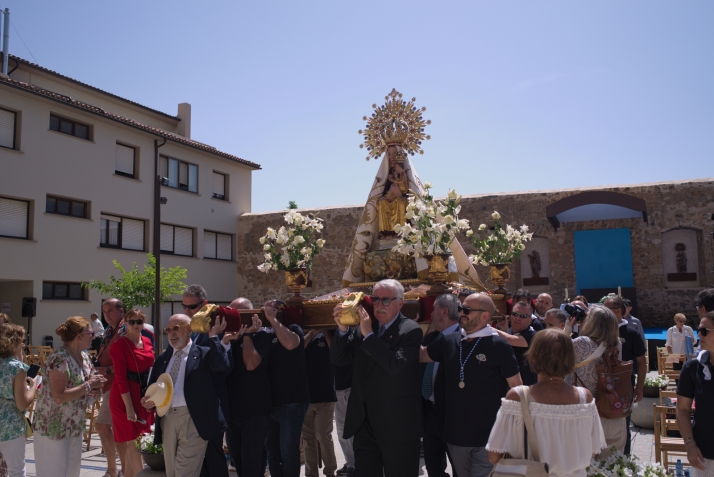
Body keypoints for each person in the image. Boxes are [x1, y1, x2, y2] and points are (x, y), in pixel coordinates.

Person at [421, 293, 522, 477]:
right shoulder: (449, 340)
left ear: (485, 315)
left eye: (467, 310)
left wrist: (511, 430)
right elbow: (421, 355)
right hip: (455, 436)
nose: (462, 313)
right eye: (461, 309)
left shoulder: (498, 346)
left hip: (488, 438)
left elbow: (516, 387)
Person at [331, 279, 423, 477]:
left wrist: (370, 336)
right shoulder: (363, 328)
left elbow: (394, 364)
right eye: (376, 299)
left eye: (386, 300)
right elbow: (339, 359)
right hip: (365, 424)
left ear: (400, 303)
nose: (379, 305)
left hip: (397, 426)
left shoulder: (410, 330)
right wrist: (343, 328)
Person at [487, 329, 606, 477]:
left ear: (534, 357)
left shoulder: (518, 396)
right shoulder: (584, 397)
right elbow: (592, 452)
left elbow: (494, 456)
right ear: (570, 359)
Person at [141, 314, 236, 477]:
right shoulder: (163, 359)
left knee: (185, 472)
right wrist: (149, 400)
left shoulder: (204, 354)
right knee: (172, 472)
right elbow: (153, 387)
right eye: (168, 330)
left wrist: (213, 337)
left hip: (194, 420)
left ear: (189, 329)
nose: (172, 333)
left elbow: (222, 366)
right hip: (168, 419)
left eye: (176, 328)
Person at [32, 316, 105, 477]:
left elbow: (88, 386)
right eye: (90, 333)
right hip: (52, 428)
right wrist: (89, 385)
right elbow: (59, 396)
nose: (94, 336)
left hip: (74, 426)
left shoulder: (84, 357)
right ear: (79, 337)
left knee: (72, 474)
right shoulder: (59, 359)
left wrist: (96, 390)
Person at [564, 306, 625, 455]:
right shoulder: (617, 344)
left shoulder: (582, 342)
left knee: (585, 466)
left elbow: (556, 358)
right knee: (612, 465)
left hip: (585, 412)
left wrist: (567, 328)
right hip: (612, 410)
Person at [182, 284, 228, 477]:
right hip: (192, 404)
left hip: (212, 402)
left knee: (214, 458)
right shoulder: (189, 328)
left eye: (192, 307)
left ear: (205, 304)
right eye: (184, 306)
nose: (187, 311)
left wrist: (214, 337)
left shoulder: (215, 327)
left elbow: (220, 364)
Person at [224, 298, 272, 477]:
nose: (237, 319)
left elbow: (251, 364)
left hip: (255, 411)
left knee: (252, 463)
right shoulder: (228, 337)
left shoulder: (261, 336)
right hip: (233, 411)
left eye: (241, 315)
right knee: (237, 462)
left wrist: (247, 335)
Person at [264, 300, 311, 477]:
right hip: (271, 402)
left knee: (288, 451)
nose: (268, 311)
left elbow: (291, 343)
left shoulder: (293, 328)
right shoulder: (266, 333)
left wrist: (274, 320)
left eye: (272, 309)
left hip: (292, 401)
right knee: (272, 450)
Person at [109, 309, 154, 477]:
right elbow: (120, 378)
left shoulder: (148, 341)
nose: (136, 325)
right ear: (125, 324)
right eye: (132, 322)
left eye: (139, 321)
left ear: (144, 323)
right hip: (124, 397)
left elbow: (151, 369)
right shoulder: (119, 345)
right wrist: (129, 407)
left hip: (142, 395)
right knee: (133, 442)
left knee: (138, 440)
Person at [421, 294, 461, 477]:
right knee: (433, 468)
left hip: (453, 415)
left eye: (434, 310)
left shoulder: (463, 339)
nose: (430, 314)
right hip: (431, 414)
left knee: (459, 467)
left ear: (444, 312)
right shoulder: (431, 339)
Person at [603, 296, 646, 455]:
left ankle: (623, 461)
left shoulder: (631, 333)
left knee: (623, 424)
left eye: (605, 310)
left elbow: (641, 362)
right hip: (601, 384)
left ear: (618, 312)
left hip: (623, 385)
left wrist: (639, 388)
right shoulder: (599, 332)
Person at [676, 311, 714, 476]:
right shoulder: (693, 368)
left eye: (705, 331)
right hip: (704, 457)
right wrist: (689, 444)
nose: (699, 334)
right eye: (699, 329)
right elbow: (682, 409)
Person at [0, 323, 39, 477]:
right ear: (13, 342)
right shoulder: (17, 368)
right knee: (16, 470)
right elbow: (22, 403)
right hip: (10, 427)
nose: (23, 344)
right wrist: (34, 386)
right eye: (21, 341)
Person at [94, 298, 126, 477]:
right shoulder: (109, 330)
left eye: (110, 311)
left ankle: (121, 470)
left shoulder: (125, 330)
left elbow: (128, 361)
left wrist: (105, 369)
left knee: (112, 427)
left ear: (121, 311)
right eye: (104, 311)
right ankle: (113, 470)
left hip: (118, 385)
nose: (107, 315)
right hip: (107, 385)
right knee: (103, 426)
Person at [302, 328, 337, 477]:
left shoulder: (331, 332)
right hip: (305, 398)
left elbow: (335, 352)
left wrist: (325, 331)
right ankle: (311, 474)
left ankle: (330, 471)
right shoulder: (302, 333)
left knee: (323, 435)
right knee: (308, 440)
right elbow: (296, 350)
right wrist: (311, 333)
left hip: (326, 396)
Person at [493, 301, 538, 385]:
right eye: (515, 314)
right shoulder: (509, 332)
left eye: (523, 316)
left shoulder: (534, 336)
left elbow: (511, 340)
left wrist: (486, 327)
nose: (517, 318)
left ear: (530, 321)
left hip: (528, 389)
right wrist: (504, 330)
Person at [334, 362, 354, 477]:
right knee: (341, 428)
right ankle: (349, 461)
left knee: (351, 428)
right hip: (337, 386)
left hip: (351, 384)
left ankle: (353, 463)